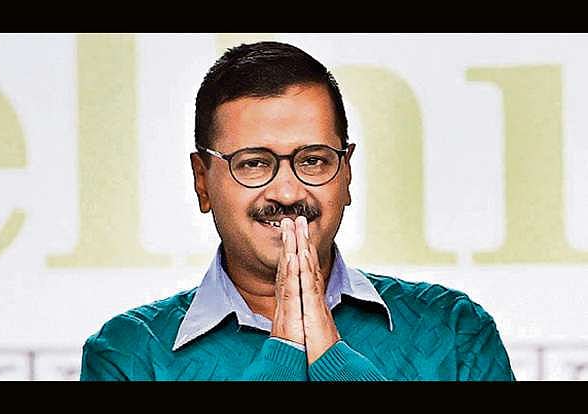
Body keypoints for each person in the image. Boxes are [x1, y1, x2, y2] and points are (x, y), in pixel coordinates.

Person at [80, 41, 515, 381]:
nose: (287, 192)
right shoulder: (130, 356)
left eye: (313, 160)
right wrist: (282, 361)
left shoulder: (453, 332)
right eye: (253, 163)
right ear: (202, 181)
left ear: (346, 173)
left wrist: (335, 364)